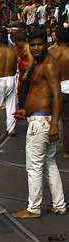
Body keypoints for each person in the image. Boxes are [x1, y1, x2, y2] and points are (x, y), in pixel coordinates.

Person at [13, 29, 66, 218]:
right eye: (32, 44)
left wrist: (53, 125)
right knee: (50, 163)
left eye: (39, 44)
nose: (35, 48)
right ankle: (59, 204)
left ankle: (33, 208)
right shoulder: (39, 62)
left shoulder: (50, 64)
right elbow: (37, 92)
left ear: (46, 43)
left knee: (34, 166)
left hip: (42, 122)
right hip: (39, 118)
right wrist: (25, 111)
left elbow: (56, 95)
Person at [49, 27, 69, 159]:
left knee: (54, 118)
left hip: (56, 87)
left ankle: (51, 147)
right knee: (67, 120)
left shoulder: (51, 52)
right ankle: (67, 149)